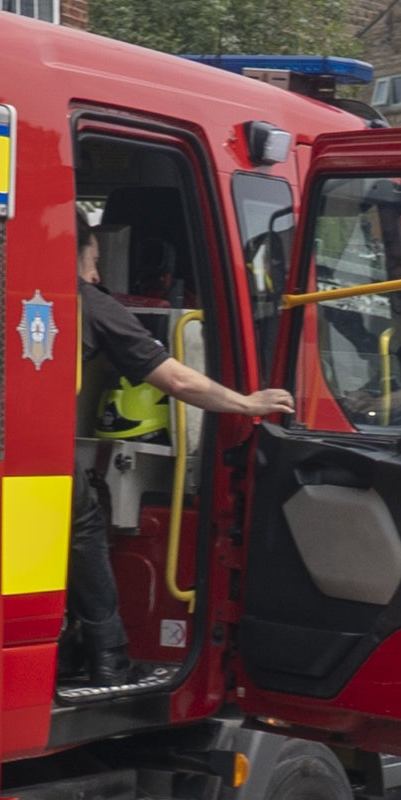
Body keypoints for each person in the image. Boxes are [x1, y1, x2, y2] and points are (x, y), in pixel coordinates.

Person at [64, 209, 294, 687]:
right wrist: (246, 403)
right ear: (76, 252)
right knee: (82, 529)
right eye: (94, 259)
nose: (98, 274)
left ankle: (66, 643)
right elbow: (177, 378)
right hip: (35, 456)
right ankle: (107, 654)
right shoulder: (87, 301)